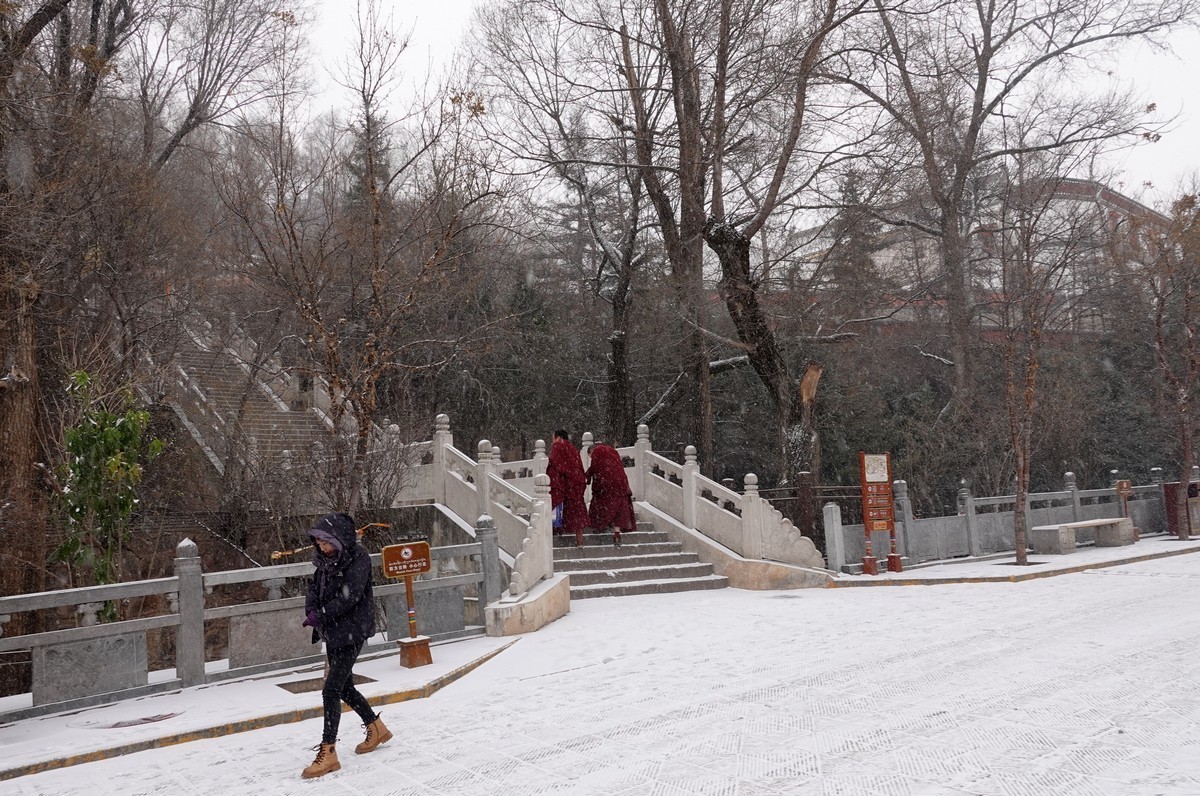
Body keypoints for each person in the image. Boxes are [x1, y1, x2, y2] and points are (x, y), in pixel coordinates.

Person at [300, 512, 392, 779]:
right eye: (318, 542)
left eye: (326, 542)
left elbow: (349, 596)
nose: (322, 547)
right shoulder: (324, 561)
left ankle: (328, 752)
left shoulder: (358, 557)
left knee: (331, 690)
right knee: (345, 687)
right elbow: (313, 587)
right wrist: (312, 610)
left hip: (353, 630)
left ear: (340, 539)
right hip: (333, 631)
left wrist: (323, 613)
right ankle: (377, 727)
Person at [586, 442, 637, 547]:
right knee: (619, 510)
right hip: (622, 483)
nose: (592, 459)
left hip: (607, 484)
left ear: (591, 451)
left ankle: (600, 527)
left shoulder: (597, 452)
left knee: (601, 505)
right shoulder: (612, 450)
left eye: (590, 457)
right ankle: (617, 534)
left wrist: (588, 478)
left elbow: (595, 468)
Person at [547, 429, 588, 545]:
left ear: (559, 438)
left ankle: (554, 536)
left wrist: (553, 482)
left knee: (555, 506)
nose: (552, 442)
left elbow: (554, 465)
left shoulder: (558, 447)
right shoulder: (573, 448)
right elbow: (578, 465)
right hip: (576, 483)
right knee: (577, 512)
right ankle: (580, 541)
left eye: (553, 439)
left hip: (564, 483)